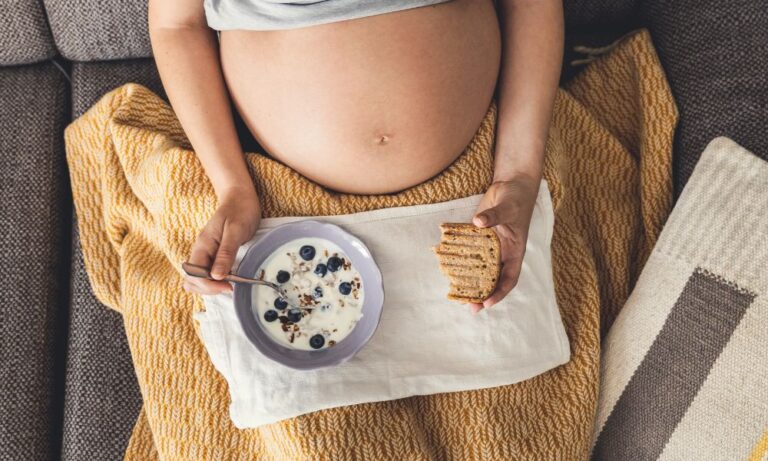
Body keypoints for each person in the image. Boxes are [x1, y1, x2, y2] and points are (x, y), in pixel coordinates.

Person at [149, 0, 563, 313]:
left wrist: (519, 174)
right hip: (272, 196)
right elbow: (176, 24)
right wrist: (232, 186)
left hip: (485, 183)